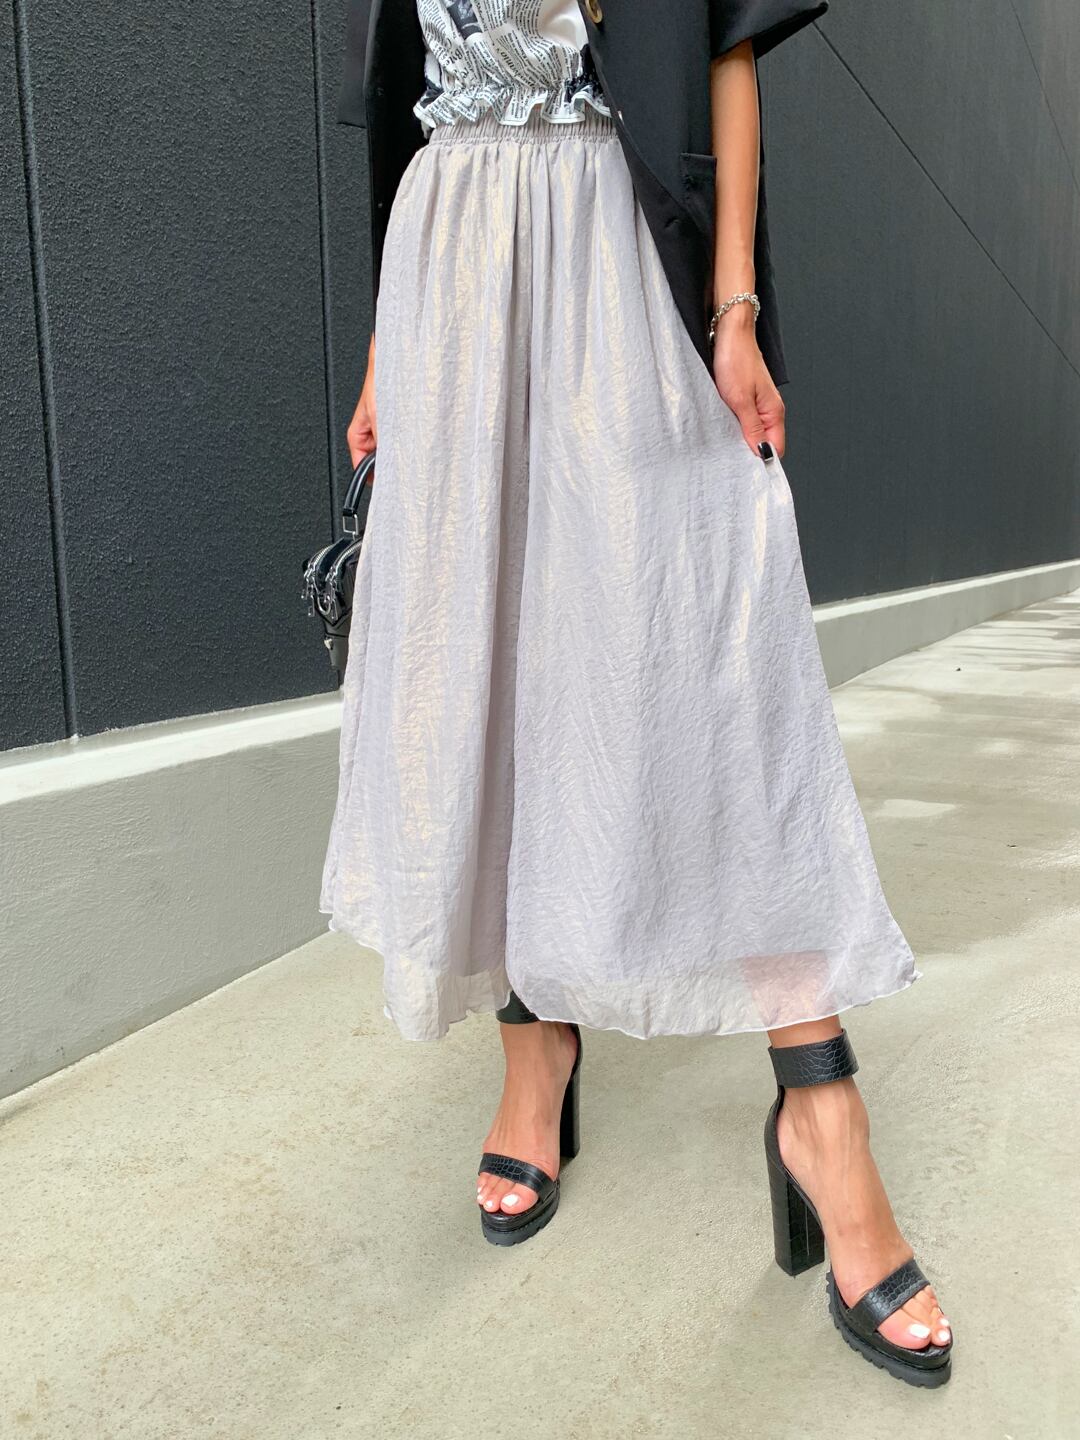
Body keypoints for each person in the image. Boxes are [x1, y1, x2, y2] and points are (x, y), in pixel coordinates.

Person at [320, 0, 953, 1388]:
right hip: (450, 270)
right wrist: (382, 348)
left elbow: (724, 44)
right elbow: (406, 101)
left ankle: (821, 1110)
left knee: (723, 684)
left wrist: (734, 306)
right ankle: (535, 1044)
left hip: (621, 252)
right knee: (485, 667)